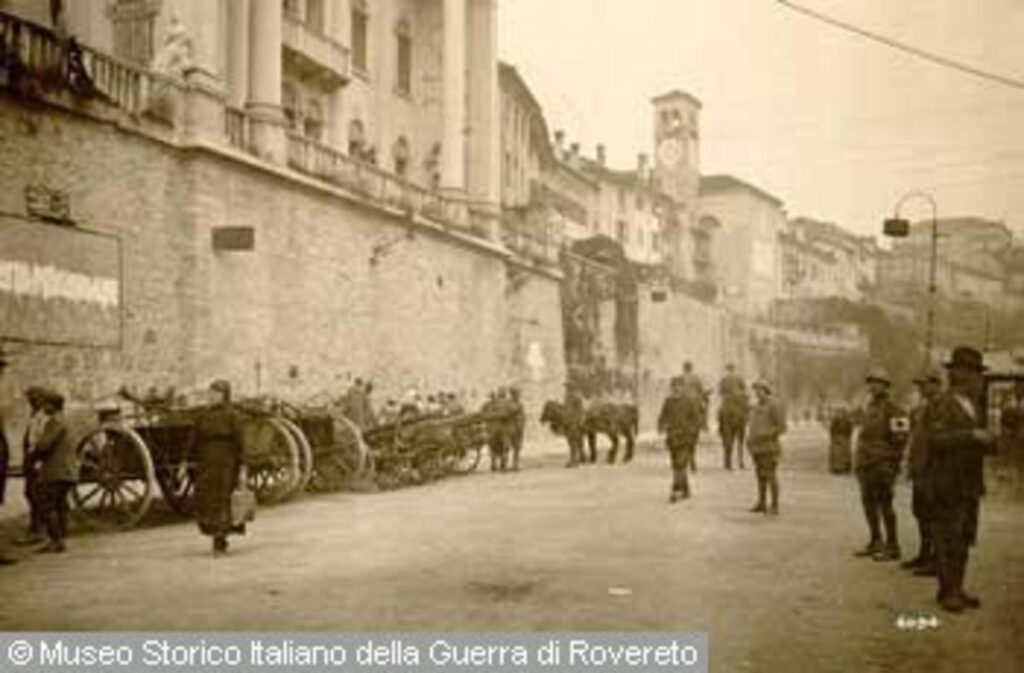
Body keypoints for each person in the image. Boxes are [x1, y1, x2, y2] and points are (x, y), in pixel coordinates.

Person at [927, 346, 993, 613]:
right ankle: (946, 592)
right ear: (957, 374)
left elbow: (977, 440)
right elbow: (936, 441)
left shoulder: (974, 406)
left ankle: (957, 587)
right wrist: (972, 437)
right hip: (948, 483)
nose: (976, 379)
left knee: (965, 537)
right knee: (948, 538)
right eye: (972, 373)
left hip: (969, 483)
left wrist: (989, 442)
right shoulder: (942, 404)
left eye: (977, 373)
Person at [852, 368, 909, 562]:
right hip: (866, 463)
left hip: (882, 465)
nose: (873, 385)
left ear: (886, 386)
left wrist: (891, 464)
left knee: (885, 505)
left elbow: (901, 439)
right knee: (868, 503)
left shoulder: (894, 408)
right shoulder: (869, 407)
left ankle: (893, 546)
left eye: (877, 382)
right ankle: (875, 540)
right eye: (871, 382)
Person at [193, 380, 248, 556]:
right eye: (210, 393)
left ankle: (220, 540)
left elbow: (241, 444)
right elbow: (194, 440)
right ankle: (215, 534)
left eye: (216, 393)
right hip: (207, 463)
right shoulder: (202, 416)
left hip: (227, 464)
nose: (212, 397)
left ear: (225, 396)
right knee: (206, 499)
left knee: (223, 499)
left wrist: (243, 468)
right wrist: (185, 462)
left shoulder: (233, 416)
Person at [25, 390, 78, 553]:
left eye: (46, 404)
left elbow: (43, 446)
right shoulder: (67, 421)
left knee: (47, 506)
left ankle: (55, 541)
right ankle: (61, 539)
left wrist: (31, 457)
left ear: (52, 406)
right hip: (68, 471)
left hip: (55, 472)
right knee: (61, 505)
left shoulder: (54, 423)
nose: (43, 407)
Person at [903, 368, 943, 576]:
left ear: (936, 385)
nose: (920, 389)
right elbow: (916, 440)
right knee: (920, 513)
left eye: (924, 384)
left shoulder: (941, 408)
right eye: (919, 385)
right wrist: (911, 466)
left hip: (933, 472)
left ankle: (936, 559)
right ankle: (924, 553)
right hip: (920, 471)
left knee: (933, 515)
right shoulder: (922, 409)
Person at [658, 377, 703, 503]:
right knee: (675, 464)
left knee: (680, 463)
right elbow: (662, 416)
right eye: (674, 386)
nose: (676, 389)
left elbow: (697, 420)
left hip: (685, 438)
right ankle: (686, 489)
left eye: (678, 386)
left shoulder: (690, 401)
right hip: (672, 438)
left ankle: (675, 490)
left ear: (683, 388)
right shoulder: (668, 401)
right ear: (671, 388)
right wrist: (661, 426)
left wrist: (692, 433)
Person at [15, 387, 49, 547]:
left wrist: (35, 460)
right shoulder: (35, 415)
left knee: (34, 494)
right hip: (31, 460)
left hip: (36, 461)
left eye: (33, 399)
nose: (31, 402)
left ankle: (38, 529)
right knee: (30, 493)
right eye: (30, 399)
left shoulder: (42, 417)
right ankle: (36, 527)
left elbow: (40, 441)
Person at [747, 380, 787, 514]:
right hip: (757, 448)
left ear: (766, 390)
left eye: (759, 390)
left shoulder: (774, 405)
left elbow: (782, 427)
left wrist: (765, 434)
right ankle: (762, 503)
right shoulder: (756, 406)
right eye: (756, 390)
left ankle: (775, 505)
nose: (757, 393)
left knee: (770, 476)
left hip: (769, 447)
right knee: (759, 476)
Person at [717, 364, 749, 470]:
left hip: (727, 406)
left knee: (726, 435)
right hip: (739, 404)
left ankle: (727, 462)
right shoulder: (740, 378)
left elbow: (720, 392)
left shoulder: (724, 379)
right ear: (734, 369)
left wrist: (727, 395)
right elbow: (744, 390)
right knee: (741, 438)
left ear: (727, 369)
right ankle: (740, 461)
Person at [563, 385, 586, 468]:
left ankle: (574, 461)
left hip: (575, 423)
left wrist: (579, 423)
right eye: (566, 387)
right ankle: (575, 459)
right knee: (571, 442)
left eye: (568, 387)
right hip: (569, 423)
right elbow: (566, 411)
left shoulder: (577, 398)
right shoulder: (567, 398)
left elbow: (581, 411)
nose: (566, 389)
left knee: (574, 442)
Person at [828, 406, 855, 474]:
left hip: (845, 439)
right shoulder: (835, 421)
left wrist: (847, 437)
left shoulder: (848, 421)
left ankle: (846, 468)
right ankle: (836, 468)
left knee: (845, 454)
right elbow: (832, 430)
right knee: (837, 454)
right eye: (839, 413)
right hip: (837, 439)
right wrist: (834, 437)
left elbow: (850, 430)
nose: (840, 415)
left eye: (842, 413)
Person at [508, 387, 526, 471]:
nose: (518, 396)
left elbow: (523, 416)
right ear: (513, 395)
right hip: (513, 427)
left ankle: (514, 464)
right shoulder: (512, 404)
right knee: (513, 447)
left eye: (518, 394)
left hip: (518, 427)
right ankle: (512, 464)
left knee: (516, 447)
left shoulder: (518, 404)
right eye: (517, 394)